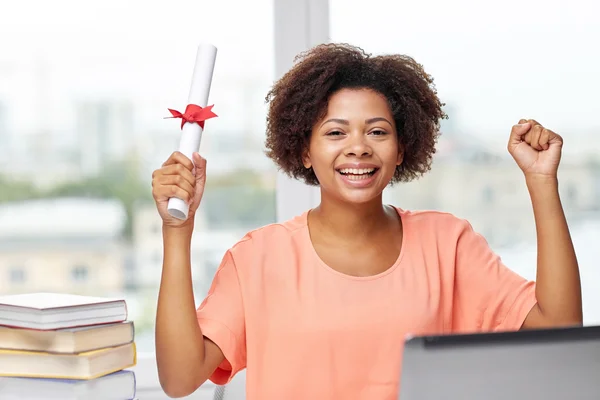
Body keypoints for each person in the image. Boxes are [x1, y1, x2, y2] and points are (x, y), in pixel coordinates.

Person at [151, 43, 583, 399]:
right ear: (304, 150)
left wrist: (542, 183)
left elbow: (559, 330)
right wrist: (177, 232)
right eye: (336, 132)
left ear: (401, 148)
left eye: (377, 131)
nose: (357, 147)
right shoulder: (256, 258)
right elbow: (179, 377)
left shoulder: (448, 244)